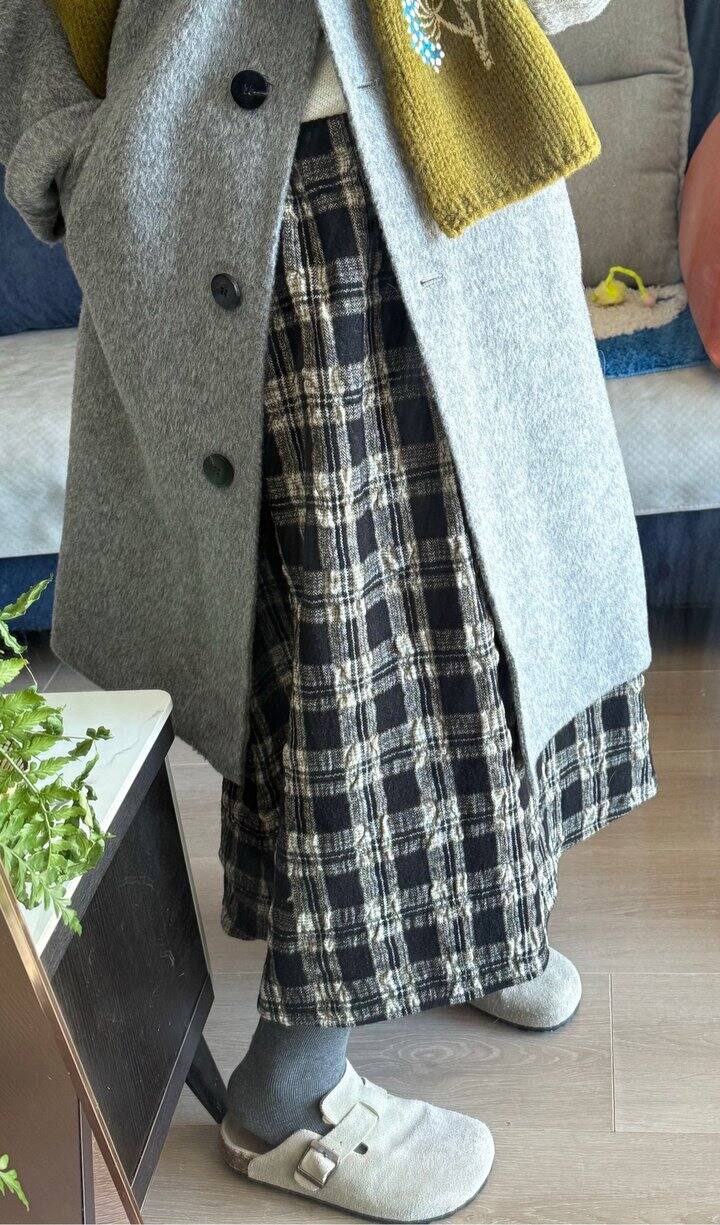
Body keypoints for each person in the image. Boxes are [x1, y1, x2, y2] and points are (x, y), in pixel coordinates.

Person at [0, 1, 657, 1218]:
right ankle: (287, 1093)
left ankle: (479, 922)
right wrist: (70, 164)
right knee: (356, 651)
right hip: (248, 213)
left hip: (452, 151)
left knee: (494, 602)